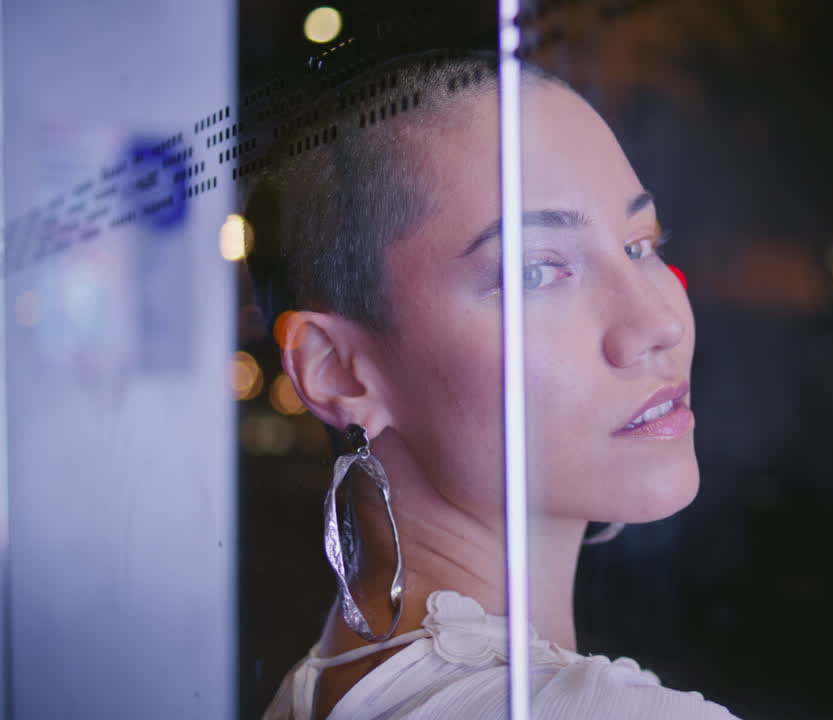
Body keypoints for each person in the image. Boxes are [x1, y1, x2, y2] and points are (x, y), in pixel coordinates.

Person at [245, 50, 739, 719]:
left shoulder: (327, 687)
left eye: (640, 244)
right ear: (336, 368)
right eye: (536, 272)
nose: (657, 323)